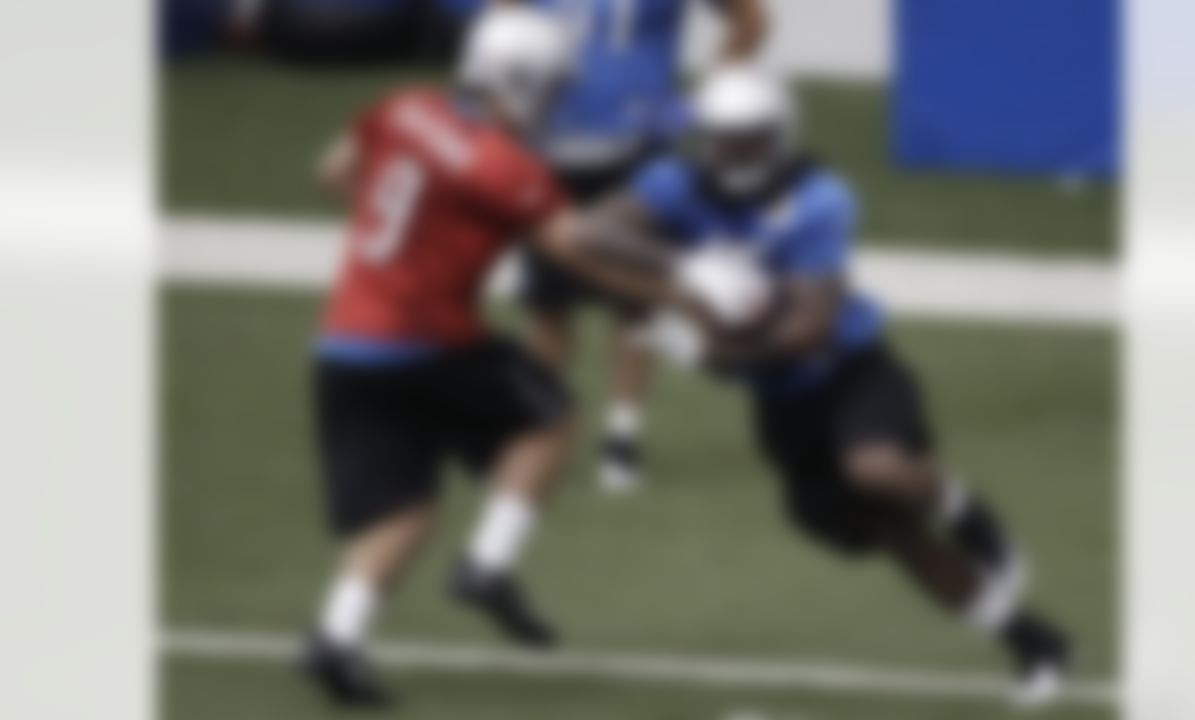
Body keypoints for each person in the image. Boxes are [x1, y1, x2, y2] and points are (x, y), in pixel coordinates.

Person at [567, 65, 1075, 708]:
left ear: (778, 135)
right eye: (721, 137)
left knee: (878, 469)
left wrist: (712, 349)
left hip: (850, 369)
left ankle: (964, 507)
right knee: (895, 536)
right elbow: (589, 232)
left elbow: (809, 329)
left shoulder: (821, 199)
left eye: (747, 138)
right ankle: (1035, 641)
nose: (729, 151)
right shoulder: (677, 182)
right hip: (782, 407)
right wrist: (684, 266)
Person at [299, 7, 591, 707]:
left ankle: (336, 640)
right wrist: (678, 285)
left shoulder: (404, 105)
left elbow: (332, 172)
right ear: (518, 82)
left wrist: (401, 239)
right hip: (425, 339)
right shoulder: (507, 166)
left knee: (404, 508)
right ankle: (488, 565)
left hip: (344, 342)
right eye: (548, 88)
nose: (553, 102)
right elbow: (578, 250)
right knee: (549, 418)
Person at [504, 0, 769, 494]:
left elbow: (750, 15)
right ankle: (538, 427)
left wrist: (710, 96)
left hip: (636, 144)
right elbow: (501, 24)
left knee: (637, 302)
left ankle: (621, 437)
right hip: (549, 143)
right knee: (547, 302)